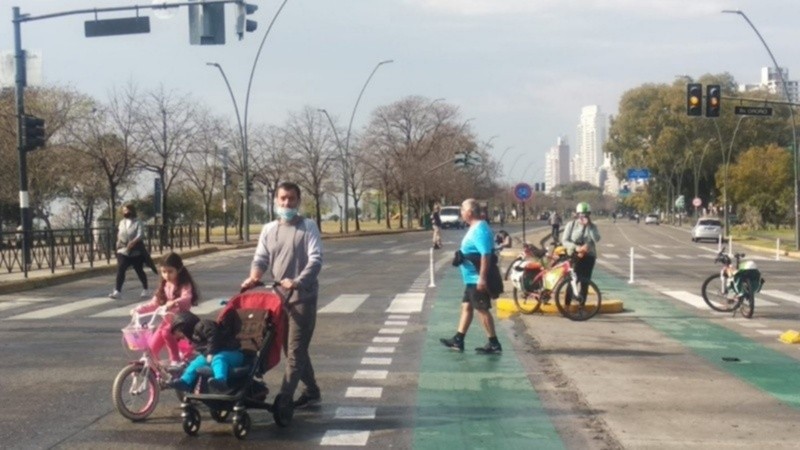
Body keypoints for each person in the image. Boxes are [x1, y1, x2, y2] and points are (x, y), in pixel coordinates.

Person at [241, 181, 323, 408]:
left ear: (298, 201)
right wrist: (254, 277)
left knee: (295, 351)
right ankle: (312, 390)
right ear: (276, 200)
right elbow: (261, 258)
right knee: (291, 350)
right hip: (277, 299)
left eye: (291, 199)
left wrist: (298, 281)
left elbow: (316, 259)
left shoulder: (308, 227)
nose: (287, 203)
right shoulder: (269, 229)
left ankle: (284, 399)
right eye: (282, 198)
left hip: (302, 298)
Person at [440, 198, 503, 354]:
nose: (461, 212)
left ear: (469, 212)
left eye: (462, 209)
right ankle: (458, 340)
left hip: (476, 278)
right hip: (470, 278)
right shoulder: (475, 227)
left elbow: (486, 255)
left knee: (482, 309)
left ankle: (494, 343)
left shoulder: (480, 229)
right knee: (466, 307)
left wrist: (481, 278)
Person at [130, 252, 198, 368]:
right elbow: (154, 303)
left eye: (170, 271)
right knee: (152, 347)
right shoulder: (164, 285)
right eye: (163, 272)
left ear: (179, 269)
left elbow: (187, 298)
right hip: (167, 321)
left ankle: (175, 360)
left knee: (166, 332)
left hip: (180, 322)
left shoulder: (184, 284)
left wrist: (175, 302)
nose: (167, 275)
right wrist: (139, 310)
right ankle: (154, 379)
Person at [168, 310, 243, 394]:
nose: (181, 335)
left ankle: (221, 380)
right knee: (195, 363)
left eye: (179, 331)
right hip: (214, 354)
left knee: (219, 358)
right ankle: (185, 381)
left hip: (232, 353)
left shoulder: (203, 325)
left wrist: (211, 352)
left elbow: (213, 335)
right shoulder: (192, 335)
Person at [561, 202, 601, 304]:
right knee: (572, 281)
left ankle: (582, 306)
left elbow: (596, 239)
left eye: (586, 214)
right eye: (581, 214)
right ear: (577, 214)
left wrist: (589, 226)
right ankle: (567, 305)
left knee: (585, 282)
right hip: (575, 256)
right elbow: (564, 241)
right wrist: (576, 247)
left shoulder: (593, 226)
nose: (583, 216)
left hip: (589, 257)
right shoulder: (571, 225)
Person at [110, 204, 153, 299]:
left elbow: (140, 234)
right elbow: (119, 233)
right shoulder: (122, 222)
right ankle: (117, 291)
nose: (125, 212)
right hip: (123, 249)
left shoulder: (138, 222)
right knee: (121, 268)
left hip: (135, 250)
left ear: (131, 211)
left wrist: (133, 242)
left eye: (126, 210)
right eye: (123, 210)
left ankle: (146, 289)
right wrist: (118, 242)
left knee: (139, 270)